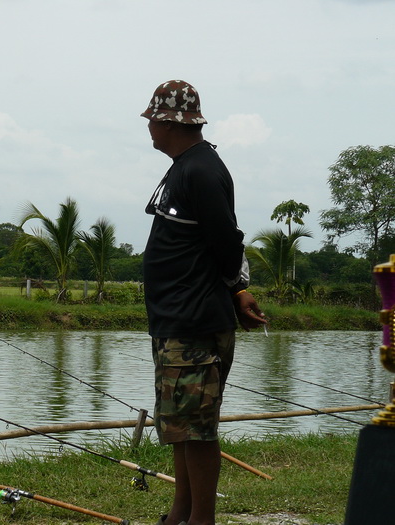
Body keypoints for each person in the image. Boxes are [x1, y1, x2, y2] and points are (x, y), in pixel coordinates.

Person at [140, 80, 266, 525]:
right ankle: (182, 511)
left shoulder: (203, 169)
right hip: (175, 319)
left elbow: (227, 242)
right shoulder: (183, 167)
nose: (148, 128)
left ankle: (201, 519)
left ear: (168, 121)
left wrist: (237, 289)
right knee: (179, 425)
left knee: (196, 427)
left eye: (152, 120)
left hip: (194, 320)